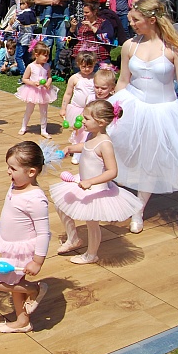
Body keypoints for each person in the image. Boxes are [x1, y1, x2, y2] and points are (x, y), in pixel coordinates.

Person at [109, 0, 178, 233]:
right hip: (132, 103)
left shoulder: (175, 48)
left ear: (151, 20)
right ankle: (115, 191)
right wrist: (113, 108)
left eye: (136, 20)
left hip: (162, 109)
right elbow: (124, 80)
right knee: (118, 149)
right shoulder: (130, 46)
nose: (132, 24)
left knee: (150, 159)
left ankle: (139, 209)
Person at [51, 100, 142, 265]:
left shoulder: (105, 144)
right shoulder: (91, 135)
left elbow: (112, 171)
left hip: (96, 190)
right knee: (61, 205)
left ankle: (91, 255)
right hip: (83, 183)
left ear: (100, 123)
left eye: (86, 118)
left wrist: (91, 181)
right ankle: (73, 239)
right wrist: (70, 149)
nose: (82, 121)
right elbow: (87, 147)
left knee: (92, 223)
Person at [0, 141, 51, 334]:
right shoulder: (16, 185)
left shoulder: (36, 199)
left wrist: (38, 261)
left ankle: (33, 290)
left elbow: (43, 232)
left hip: (23, 250)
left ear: (31, 172)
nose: (8, 172)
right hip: (11, 245)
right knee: (13, 283)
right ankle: (23, 321)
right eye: (8, 167)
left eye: (13, 168)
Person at [59, 52, 97, 164]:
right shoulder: (74, 78)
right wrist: (63, 108)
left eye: (90, 66)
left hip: (89, 110)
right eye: (84, 66)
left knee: (86, 131)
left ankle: (81, 151)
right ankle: (76, 150)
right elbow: (67, 94)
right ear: (78, 65)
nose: (87, 69)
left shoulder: (95, 78)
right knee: (77, 131)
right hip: (76, 108)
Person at [15, 41, 58, 138]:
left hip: (44, 91)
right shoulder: (31, 66)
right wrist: (33, 83)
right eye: (44, 56)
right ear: (36, 55)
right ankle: (24, 126)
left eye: (47, 56)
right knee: (29, 110)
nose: (46, 58)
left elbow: (49, 77)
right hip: (33, 91)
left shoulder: (47, 66)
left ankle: (43, 130)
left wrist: (48, 83)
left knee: (44, 111)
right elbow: (24, 79)